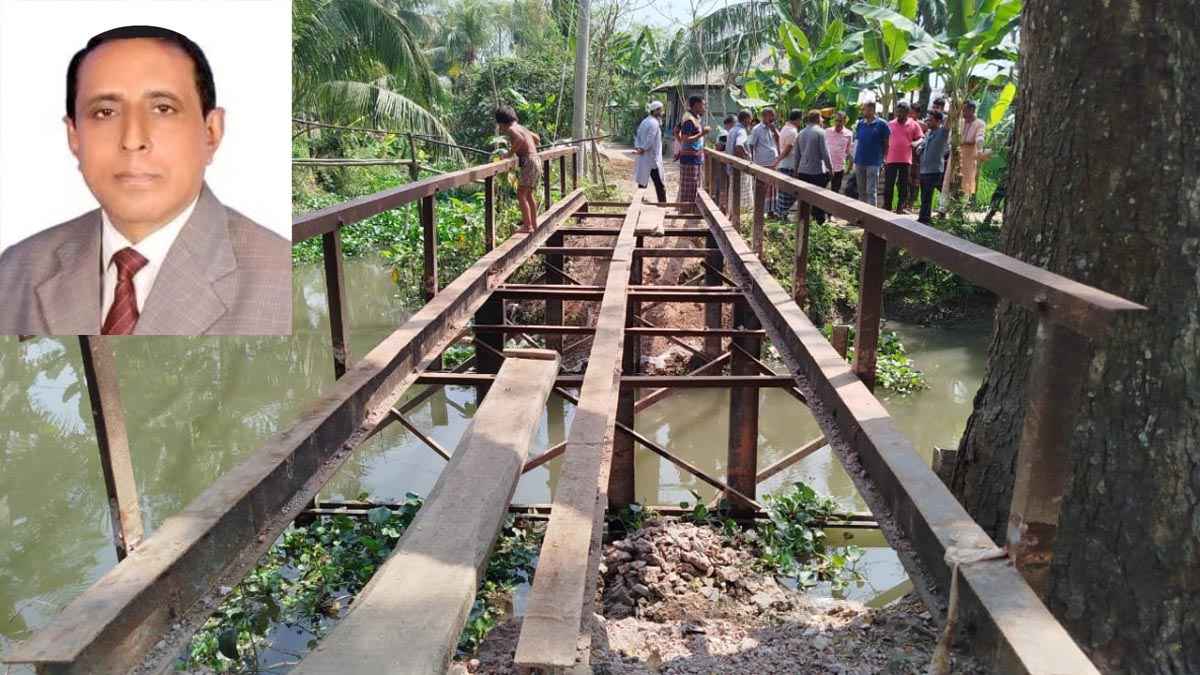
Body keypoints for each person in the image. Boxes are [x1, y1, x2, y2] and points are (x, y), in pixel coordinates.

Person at [0, 25, 290, 336]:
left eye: (163, 109)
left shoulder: (283, 280)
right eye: (104, 112)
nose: (133, 139)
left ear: (211, 132)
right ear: (74, 136)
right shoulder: (17, 268)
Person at [495, 105, 541, 233]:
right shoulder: (522, 128)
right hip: (536, 159)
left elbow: (520, 140)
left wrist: (508, 155)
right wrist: (529, 144)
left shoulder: (511, 129)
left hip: (528, 161)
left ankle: (527, 226)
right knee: (529, 194)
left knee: (521, 194)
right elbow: (537, 138)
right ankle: (534, 223)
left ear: (502, 122)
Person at [792, 109, 834, 223]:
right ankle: (819, 224)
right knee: (818, 200)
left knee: (804, 200)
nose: (822, 120)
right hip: (816, 171)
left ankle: (803, 222)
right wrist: (830, 168)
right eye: (821, 118)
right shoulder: (820, 132)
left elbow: (797, 155)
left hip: (803, 171)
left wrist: (796, 171)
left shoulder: (801, 133)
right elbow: (825, 153)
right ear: (817, 118)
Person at [883, 101, 923, 213]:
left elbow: (921, 138)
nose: (899, 115)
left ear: (907, 113)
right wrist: (884, 156)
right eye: (898, 112)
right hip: (891, 159)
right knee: (889, 185)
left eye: (902, 113)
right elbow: (884, 141)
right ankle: (887, 207)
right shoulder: (890, 124)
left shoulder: (914, 124)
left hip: (906, 160)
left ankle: (900, 207)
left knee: (903, 185)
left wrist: (916, 143)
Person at [853, 101, 890, 207]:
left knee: (871, 191)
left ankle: (872, 217)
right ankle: (861, 214)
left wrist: (883, 159)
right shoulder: (860, 123)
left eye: (865, 109)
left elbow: (887, 144)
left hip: (874, 162)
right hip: (860, 161)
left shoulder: (882, 124)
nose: (863, 111)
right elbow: (857, 141)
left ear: (872, 110)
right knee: (861, 191)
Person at [675, 95, 709, 203]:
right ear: (696, 106)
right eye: (703, 105)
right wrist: (702, 133)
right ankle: (686, 210)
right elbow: (686, 138)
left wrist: (682, 146)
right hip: (690, 159)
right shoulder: (689, 120)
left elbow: (676, 130)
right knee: (690, 186)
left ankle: (688, 209)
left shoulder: (693, 117)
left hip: (694, 157)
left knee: (693, 185)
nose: (704, 108)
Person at [916, 110, 949, 224]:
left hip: (934, 170)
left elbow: (948, 120)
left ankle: (925, 219)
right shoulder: (929, 133)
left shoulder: (942, 132)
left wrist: (943, 113)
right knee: (924, 195)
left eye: (931, 120)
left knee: (927, 195)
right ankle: (924, 217)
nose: (928, 122)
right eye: (927, 120)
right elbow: (924, 144)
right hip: (924, 169)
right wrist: (920, 148)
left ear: (938, 121)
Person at [633, 101, 667, 202]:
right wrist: (643, 149)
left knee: (643, 182)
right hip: (652, 159)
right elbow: (650, 140)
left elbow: (637, 136)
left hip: (645, 157)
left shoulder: (645, 121)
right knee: (659, 183)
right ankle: (663, 204)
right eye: (661, 110)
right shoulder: (654, 123)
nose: (662, 112)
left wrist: (639, 148)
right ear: (656, 111)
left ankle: (639, 202)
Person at [746, 108, 779, 205]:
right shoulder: (757, 129)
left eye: (773, 115)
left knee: (773, 187)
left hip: (773, 161)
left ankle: (772, 210)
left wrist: (774, 130)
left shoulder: (772, 128)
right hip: (763, 162)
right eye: (771, 115)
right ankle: (761, 208)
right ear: (764, 116)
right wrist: (751, 159)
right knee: (763, 186)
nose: (773, 118)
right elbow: (751, 145)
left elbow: (779, 139)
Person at [959, 100, 986, 202]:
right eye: (962, 110)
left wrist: (980, 149)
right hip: (956, 155)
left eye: (965, 110)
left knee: (966, 181)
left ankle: (960, 207)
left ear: (972, 110)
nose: (963, 112)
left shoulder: (980, 123)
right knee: (949, 179)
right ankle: (943, 208)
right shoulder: (960, 122)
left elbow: (980, 137)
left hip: (969, 156)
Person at [824, 111, 853, 194]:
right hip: (826, 167)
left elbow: (848, 150)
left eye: (840, 121)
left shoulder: (849, 134)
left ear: (844, 121)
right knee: (821, 190)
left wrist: (850, 166)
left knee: (835, 192)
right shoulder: (827, 131)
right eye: (836, 120)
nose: (837, 123)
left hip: (839, 167)